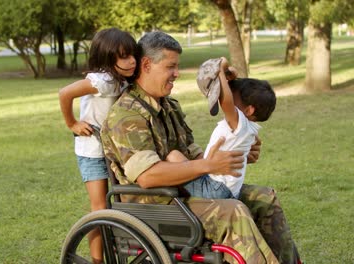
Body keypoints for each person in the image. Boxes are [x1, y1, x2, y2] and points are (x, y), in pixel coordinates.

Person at [101, 31, 300, 264]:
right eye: (171, 67)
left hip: (185, 194)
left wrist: (233, 156)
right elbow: (148, 176)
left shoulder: (169, 106)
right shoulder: (126, 115)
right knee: (233, 211)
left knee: (264, 197)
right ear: (146, 64)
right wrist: (208, 165)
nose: (176, 73)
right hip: (157, 208)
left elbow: (193, 154)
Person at [58, 27, 138, 264]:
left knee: (120, 202)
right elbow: (64, 93)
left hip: (113, 152)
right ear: (107, 58)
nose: (132, 60)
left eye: (132, 54)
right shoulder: (102, 81)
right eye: (124, 56)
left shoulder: (122, 80)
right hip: (92, 152)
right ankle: (97, 260)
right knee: (100, 207)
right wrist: (72, 122)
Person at [168, 57, 276, 200]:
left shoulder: (240, 124)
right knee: (180, 160)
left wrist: (219, 70)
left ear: (249, 110)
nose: (229, 97)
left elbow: (226, 101)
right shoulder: (246, 129)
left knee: (173, 156)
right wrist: (228, 80)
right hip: (226, 189)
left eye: (234, 96)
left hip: (214, 189)